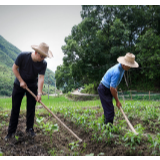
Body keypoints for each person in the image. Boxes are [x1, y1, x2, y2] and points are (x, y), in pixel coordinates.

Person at [5, 42, 53, 140]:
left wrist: (39, 93)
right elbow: (14, 68)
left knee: (31, 109)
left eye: (45, 57)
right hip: (19, 84)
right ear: (36, 52)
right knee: (15, 108)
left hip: (32, 86)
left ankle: (29, 129)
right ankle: (11, 132)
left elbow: (41, 78)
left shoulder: (43, 63)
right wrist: (21, 81)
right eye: (42, 56)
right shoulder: (23, 56)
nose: (43, 59)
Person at [97, 53, 139, 126]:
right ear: (124, 64)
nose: (130, 67)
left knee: (108, 109)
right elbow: (112, 88)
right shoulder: (117, 71)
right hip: (104, 89)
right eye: (129, 65)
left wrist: (116, 95)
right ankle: (108, 130)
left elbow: (114, 85)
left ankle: (105, 125)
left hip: (108, 89)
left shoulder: (122, 69)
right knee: (110, 111)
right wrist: (117, 101)